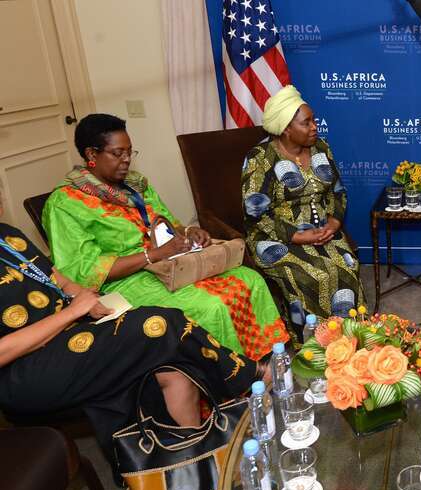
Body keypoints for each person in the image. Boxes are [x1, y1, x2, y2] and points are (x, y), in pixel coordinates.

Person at [0, 219, 267, 466]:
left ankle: (196, 460)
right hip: (25, 371)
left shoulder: (7, 233)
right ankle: (251, 375)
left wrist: (85, 299)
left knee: (174, 366)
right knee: (159, 324)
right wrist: (72, 312)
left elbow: (57, 279)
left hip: (70, 330)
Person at [42, 113, 288, 362]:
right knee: (211, 306)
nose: (127, 159)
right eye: (118, 153)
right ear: (91, 155)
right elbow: (83, 271)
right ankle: (229, 374)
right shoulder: (65, 203)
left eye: (129, 151)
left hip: (169, 262)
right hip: (125, 281)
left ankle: (266, 360)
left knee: (249, 279)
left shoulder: (135, 186)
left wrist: (189, 232)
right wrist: (153, 254)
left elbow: (169, 224)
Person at [241, 85, 365, 331]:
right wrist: (296, 235)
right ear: (286, 128)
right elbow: (255, 213)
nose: (314, 127)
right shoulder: (260, 158)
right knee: (311, 275)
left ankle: (350, 333)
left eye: (313, 120)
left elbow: (337, 191)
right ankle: (313, 341)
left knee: (347, 266)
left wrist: (334, 222)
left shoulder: (321, 148)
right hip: (276, 236)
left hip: (322, 229)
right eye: (306, 123)